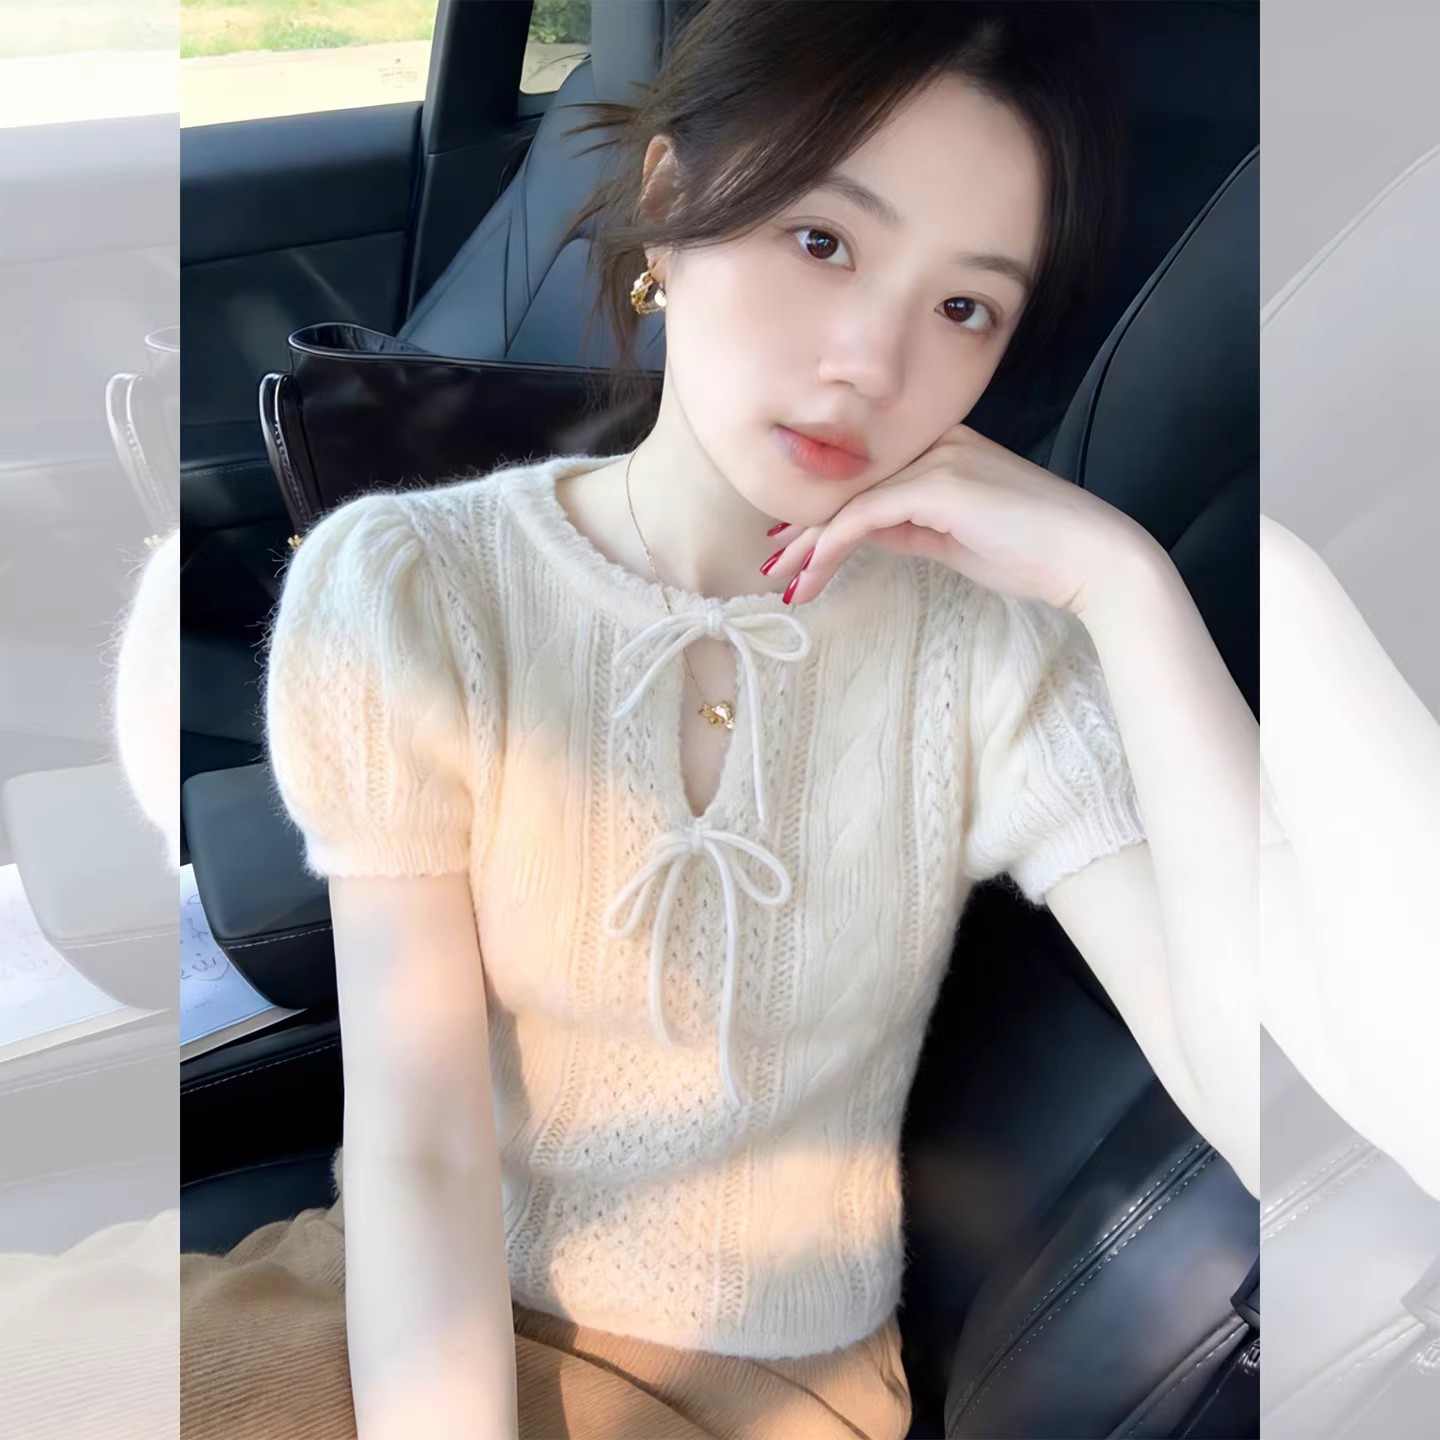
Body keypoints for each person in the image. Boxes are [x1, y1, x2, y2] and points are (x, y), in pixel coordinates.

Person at [180, 3, 1273, 1437]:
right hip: (404, 1311)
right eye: (822, 240)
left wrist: (1128, 588)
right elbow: (418, 1144)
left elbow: (1281, 1100)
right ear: (671, 203)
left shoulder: (992, 649)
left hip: (764, 1393)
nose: (869, 362)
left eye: (965, 309)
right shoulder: (410, 587)